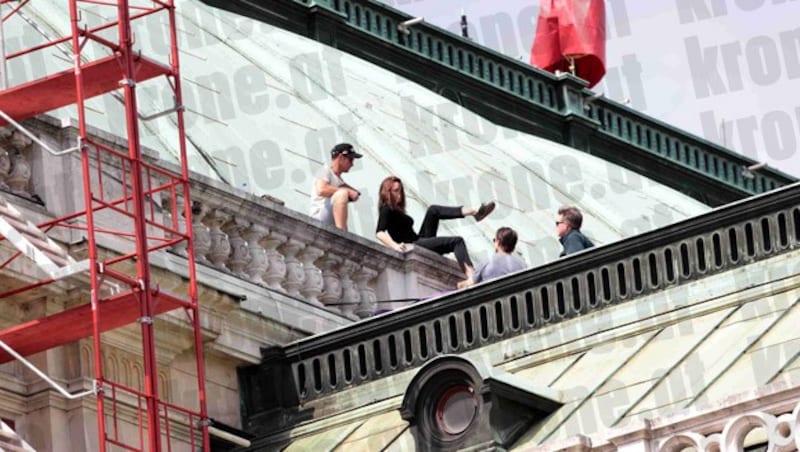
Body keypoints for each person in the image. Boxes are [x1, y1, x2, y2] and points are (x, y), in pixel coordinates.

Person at [375, 176, 495, 279]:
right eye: (396, 191)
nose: (400, 195)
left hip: (418, 240)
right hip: (413, 245)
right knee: (457, 241)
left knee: (433, 210)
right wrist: (395, 246)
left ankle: (474, 212)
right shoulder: (386, 210)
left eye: (400, 191)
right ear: (387, 192)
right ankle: (471, 275)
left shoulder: (397, 210)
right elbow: (379, 233)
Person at [309, 143, 362, 231]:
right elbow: (321, 189)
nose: (352, 164)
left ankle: (343, 231)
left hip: (328, 218)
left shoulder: (339, 180)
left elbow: (355, 193)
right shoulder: (324, 170)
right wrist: (347, 191)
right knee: (342, 194)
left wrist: (352, 192)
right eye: (350, 160)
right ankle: (342, 233)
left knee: (343, 194)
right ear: (341, 157)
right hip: (319, 216)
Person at [457, 227, 526, 289]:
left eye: (494, 240)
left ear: (498, 242)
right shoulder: (522, 265)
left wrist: (459, 284)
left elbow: (468, 284)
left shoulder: (488, 263)